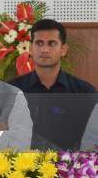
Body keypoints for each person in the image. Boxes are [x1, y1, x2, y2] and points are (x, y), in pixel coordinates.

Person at [9, 19, 97, 150]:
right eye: (39, 43)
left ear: (63, 49)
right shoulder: (12, 90)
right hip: (21, 167)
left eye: (52, 43)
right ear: (31, 48)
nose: (44, 49)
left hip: (69, 167)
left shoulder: (85, 92)